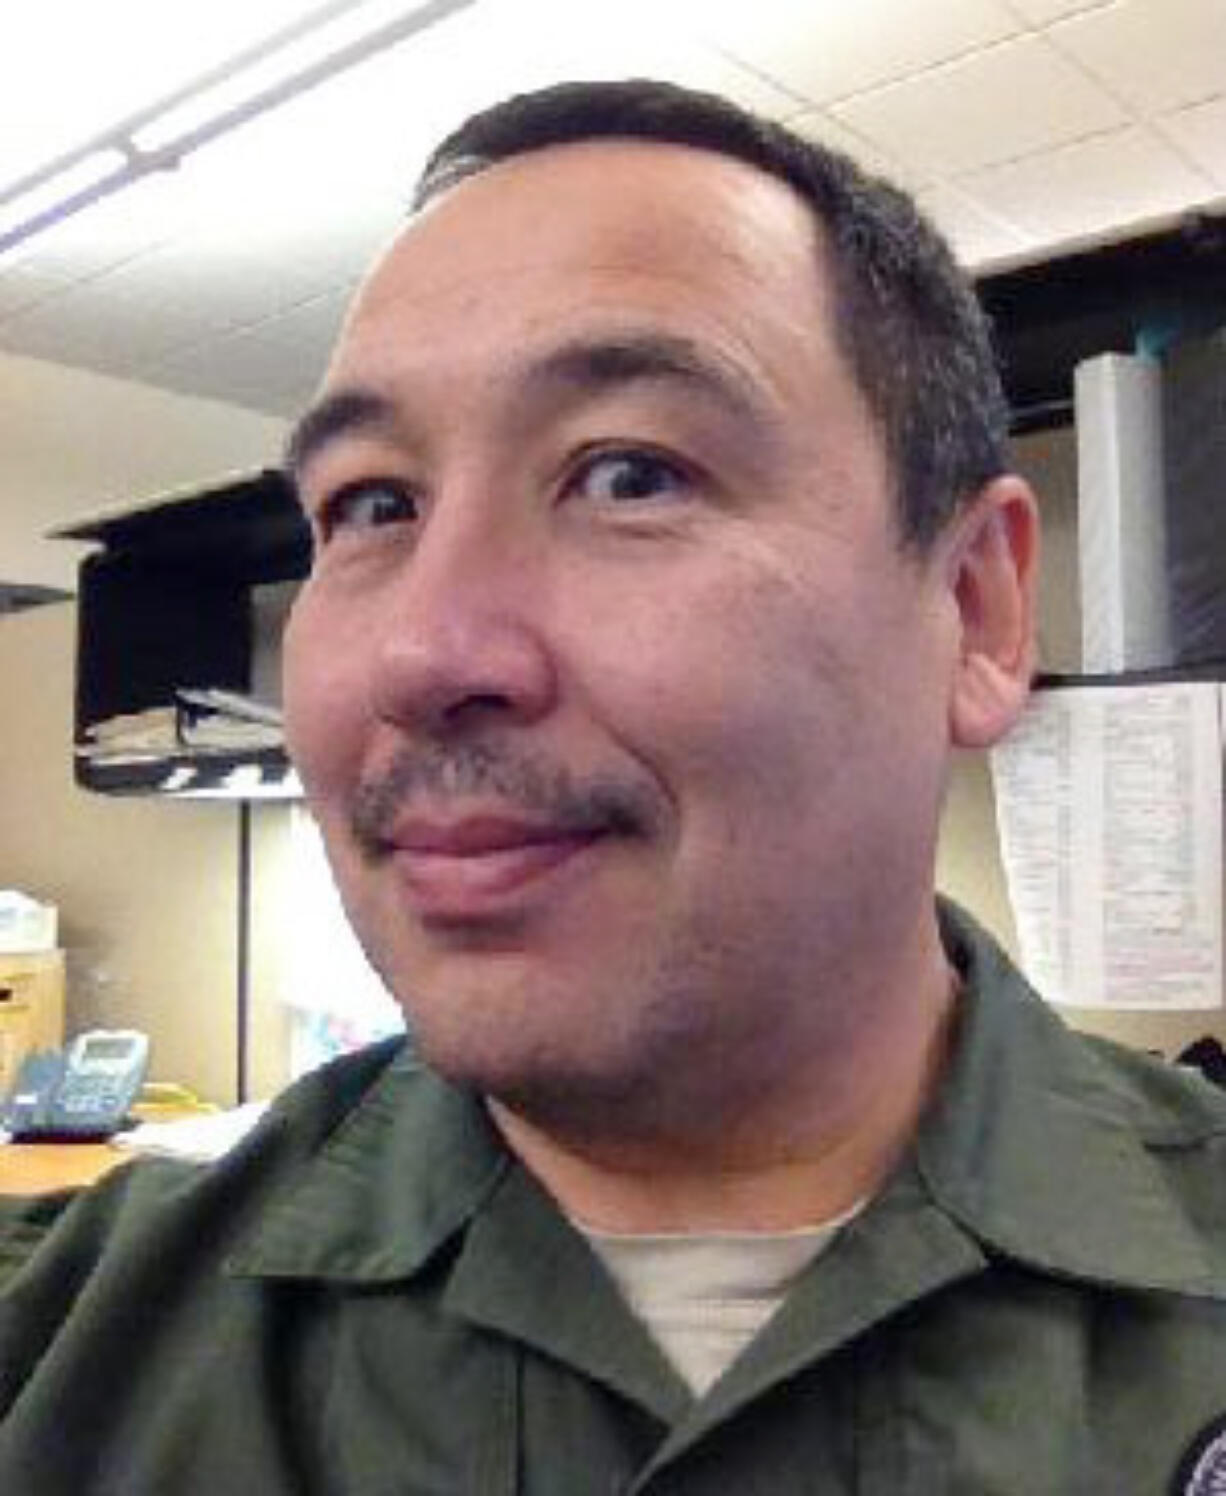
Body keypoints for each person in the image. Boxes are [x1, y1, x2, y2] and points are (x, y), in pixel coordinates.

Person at [3, 78, 1226, 1496]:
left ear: (972, 610)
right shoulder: (63, 1360)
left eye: (629, 475)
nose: (422, 651)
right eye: (373, 505)